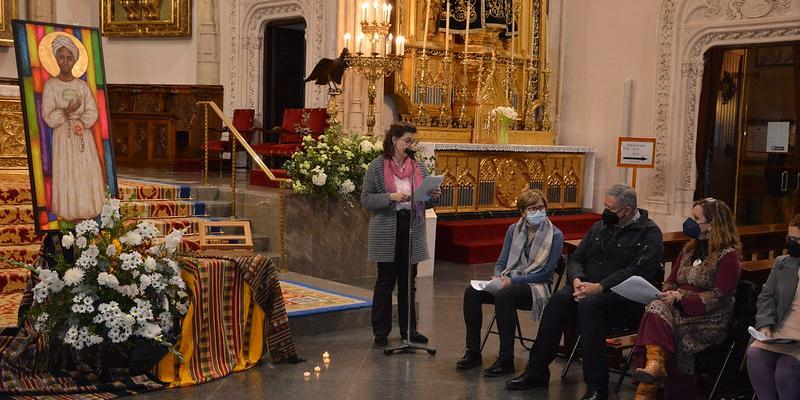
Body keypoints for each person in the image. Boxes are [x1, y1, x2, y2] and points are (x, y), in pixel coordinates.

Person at [505, 184, 664, 400]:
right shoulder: (599, 227)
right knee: (559, 300)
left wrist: (600, 287)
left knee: (590, 306)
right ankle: (536, 371)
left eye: (611, 208)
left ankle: (597, 387)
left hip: (622, 297)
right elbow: (577, 257)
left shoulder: (648, 233)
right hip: (587, 287)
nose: (605, 211)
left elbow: (638, 270)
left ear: (627, 210)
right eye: (604, 205)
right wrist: (577, 280)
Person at [632, 198, 742, 400]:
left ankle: (648, 385)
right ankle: (653, 367)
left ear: (712, 224)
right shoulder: (689, 249)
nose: (690, 222)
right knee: (656, 306)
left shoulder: (728, 255)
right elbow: (671, 280)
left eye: (695, 218)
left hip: (709, 318)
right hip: (675, 308)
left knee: (661, 323)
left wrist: (682, 300)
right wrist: (669, 294)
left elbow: (719, 295)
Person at [457, 188, 564, 377]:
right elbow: (502, 261)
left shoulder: (555, 235)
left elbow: (546, 274)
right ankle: (472, 352)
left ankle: (506, 359)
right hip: (510, 279)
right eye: (532, 208)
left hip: (536, 286)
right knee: (471, 292)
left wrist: (513, 280)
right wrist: (498, 277)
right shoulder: (514, 229)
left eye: (541, 207)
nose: (538, 212)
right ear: (522, 212)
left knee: (505, 296)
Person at [361, 122, 441, 347]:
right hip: (387, 226)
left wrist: (433, 196)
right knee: (386, 281)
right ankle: (381, 331)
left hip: (411, 227)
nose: (411, 145)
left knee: (409, 281)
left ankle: (409, 330)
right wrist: (391, 198)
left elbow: (425, 202)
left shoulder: (418, 167)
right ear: (394, 140)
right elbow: (366, 199)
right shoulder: (377, 166)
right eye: (407, 140)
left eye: (414, 141)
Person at [41, 34, 104, 222]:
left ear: (75, 60)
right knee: (67, 171)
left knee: (85, 171)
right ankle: (68, 212)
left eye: (69, 57)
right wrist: (66, 113)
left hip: (82, 134)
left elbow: (92, 110)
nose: (66, 61)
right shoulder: (51, 86)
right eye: (61, 57)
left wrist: (82, 122)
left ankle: (88, 210)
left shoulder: (82, 86)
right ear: (55, 59)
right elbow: (47, 114)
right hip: (62, 136)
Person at [746, 214, 800, 400]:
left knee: (786, 369)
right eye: (789, 238)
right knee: (754, 355)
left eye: (796, 240)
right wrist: (765, 325)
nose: (791, 243)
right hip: (779, 332)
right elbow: (766, 297)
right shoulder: (782, 263)